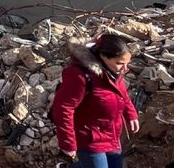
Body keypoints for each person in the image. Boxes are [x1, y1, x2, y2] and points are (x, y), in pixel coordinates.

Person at [51, 35, 139, 168]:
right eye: (120, 63)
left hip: (112, 134)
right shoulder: (80, 75)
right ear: (103, 56)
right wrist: (68, 142)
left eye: (127, 63)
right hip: (89, 138)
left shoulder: (113, 71)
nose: (126, 69)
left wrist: (131, 114)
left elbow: (121, 93)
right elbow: (63, 108)